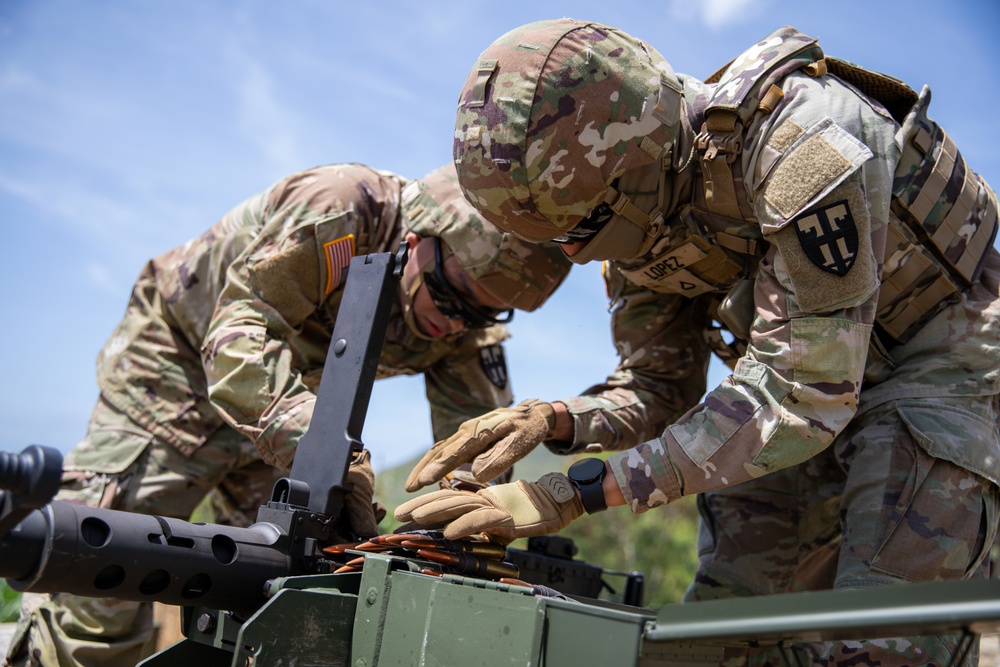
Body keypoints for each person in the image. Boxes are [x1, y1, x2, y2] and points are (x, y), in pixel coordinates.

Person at [397, 19, 1000, 666]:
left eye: (584, 228)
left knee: (883, 640)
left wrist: (575, 491)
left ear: (641, 157)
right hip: (785, 392)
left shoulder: (803, 141)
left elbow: (803, 393)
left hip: (936, 359)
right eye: (557, 240)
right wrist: (555, 419)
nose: (573, 253)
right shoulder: (636, 212)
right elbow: (659, 388)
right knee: (715, 638)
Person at [6, 161, 570, 667]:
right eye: (452, 295)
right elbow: (234, 336)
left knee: (270, 586)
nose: (454, 323)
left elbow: (475, 448)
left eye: (484, 312)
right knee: (100, 569)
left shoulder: (464, 323)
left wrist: (463, 526)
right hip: (176, 370)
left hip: (288, 408)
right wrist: (328, 453)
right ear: (422, 238)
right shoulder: (342, 208)